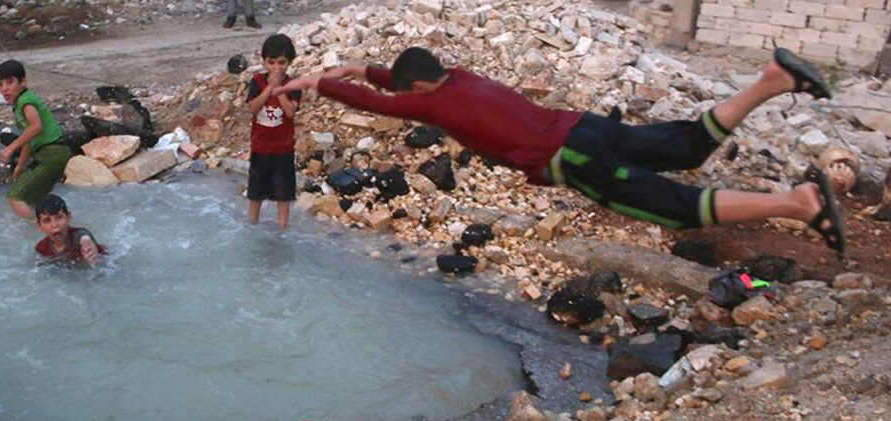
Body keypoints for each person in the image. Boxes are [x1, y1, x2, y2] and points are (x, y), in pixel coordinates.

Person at [275, 46, 845, 255]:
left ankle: (798, 203)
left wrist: (321, 83)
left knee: (676, 206)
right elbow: (399, 85)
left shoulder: (434, 107)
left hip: (575, 158)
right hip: (587, 126)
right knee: (687, 143)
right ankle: (772, 80)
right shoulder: (460, 78)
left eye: (406, 89)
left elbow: (384, 105)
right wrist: (364, 68)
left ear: (420, 89)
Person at [0, 59, 74, 221]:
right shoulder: (19, 104)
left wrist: (10, 148)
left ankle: (39, 229)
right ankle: (56, 227)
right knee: (33, 200)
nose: (5, 88)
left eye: (10, 82)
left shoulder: (25, 100)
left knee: (15, 196)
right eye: (1, 84)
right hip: (54, 154)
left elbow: (36, 127)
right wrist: (20, 165)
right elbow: (29, 139)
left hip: (52, 153)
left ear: (23, 81)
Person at [246, 34, 302, 230]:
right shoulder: (257, 81)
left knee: (283, 194)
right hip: (260, 147)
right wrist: (269, 87)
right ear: (264, 62)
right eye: (271, 62)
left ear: (289, 62)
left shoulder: (293, 85)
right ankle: (252, 225)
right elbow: (253, 108)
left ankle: (283, 228)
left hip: (283, 149)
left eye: (282, 62)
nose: (276, 68)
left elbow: (289, 111)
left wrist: (278, 88)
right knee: (255, 193)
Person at [33, 194, 107, 264]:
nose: (55, 225)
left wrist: (86, 243)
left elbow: (83, 235)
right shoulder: (42, 248)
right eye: (47, 220)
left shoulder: (78, 237)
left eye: (59, 217)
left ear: (68, 217)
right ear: (39, 226)